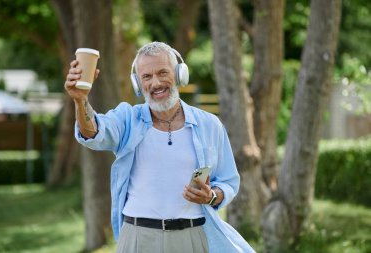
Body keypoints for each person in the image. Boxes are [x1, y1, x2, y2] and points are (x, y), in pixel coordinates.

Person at [65, 41, 255, 253]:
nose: (155, 83)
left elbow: (228, 181)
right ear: (138, 83)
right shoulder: (127, 119)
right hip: (138, 238)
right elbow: (93, 132)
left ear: (180, 74)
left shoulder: (209, 125)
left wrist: (211, 196)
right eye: (146, 76)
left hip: (192, 237)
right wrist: (80, 100)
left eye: (162, 73)